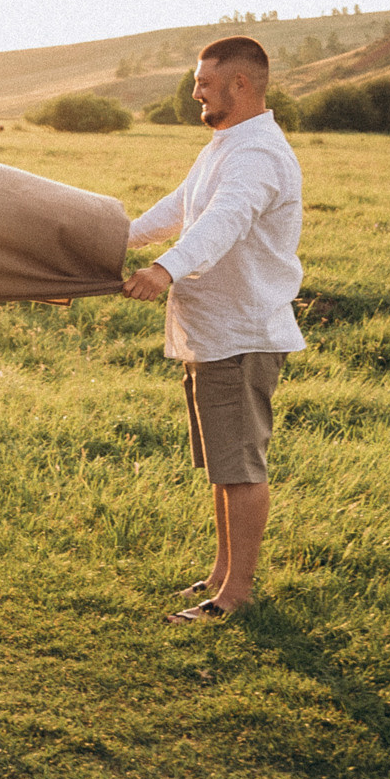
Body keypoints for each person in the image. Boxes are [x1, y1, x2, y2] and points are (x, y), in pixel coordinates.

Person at [120, 35, 305, 624]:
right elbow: (181, 207)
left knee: (241, 467)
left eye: (204, 83)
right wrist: (112, 239)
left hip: (240, 334)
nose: (196, 92)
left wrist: (163, 269)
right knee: (224, 465)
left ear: (240, 85)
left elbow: (223, 224)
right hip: (212, 332)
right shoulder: (227, 144)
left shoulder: (257, 155)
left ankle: (234, 596)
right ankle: (221, 574)